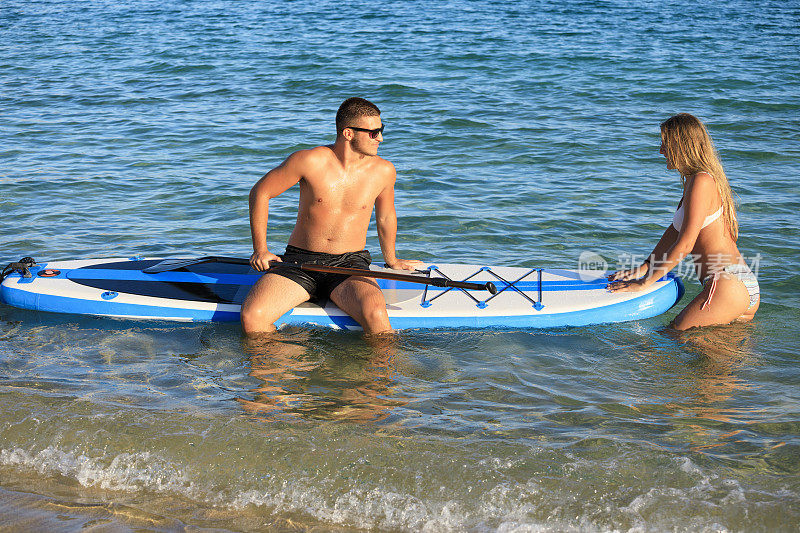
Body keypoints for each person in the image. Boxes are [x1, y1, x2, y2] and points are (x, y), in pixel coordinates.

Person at [240, 97, 422, 335]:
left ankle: (379, 372)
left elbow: (385, 218)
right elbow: (260, 193)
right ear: (348, 133)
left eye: (381, 130)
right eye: (374, 132)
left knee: (376, 316)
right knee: (253, 317)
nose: (381, 138)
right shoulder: (309, 160)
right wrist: (260, 249)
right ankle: (285, 367)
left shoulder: (384, 171)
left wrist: (392, 260)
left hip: (349, 265)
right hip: (300, 263)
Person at [607, 113, 759, 330]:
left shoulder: (702, 181)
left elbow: (686, 244)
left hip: (726, 283)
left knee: (673, 338)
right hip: (734, 284)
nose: (661, 151)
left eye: (665, 144)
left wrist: (645, 283)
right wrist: (644, 268)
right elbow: (674, 232)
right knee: (713, 361)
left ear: (681, 145)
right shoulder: (694, 181)